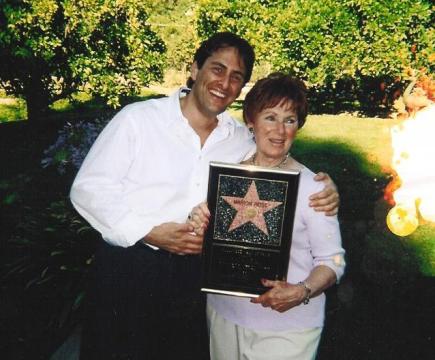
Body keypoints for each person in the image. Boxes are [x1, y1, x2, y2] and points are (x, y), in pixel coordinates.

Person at [70, 33, 340, 360]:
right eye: (217, 69)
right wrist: (149, 231)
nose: (224, 83)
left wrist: (325, 189)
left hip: (195, 280)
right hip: (131, 267)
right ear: (195, 68)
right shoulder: (139, 120)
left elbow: (277, 159)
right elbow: (88, 188)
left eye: (236, 77)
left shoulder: (240, 139)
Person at [189, 73, 345, 360]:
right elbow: (209, 236)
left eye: (290, 119)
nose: (280, 130)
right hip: (224, 316)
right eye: (270, 117)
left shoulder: (314, 187)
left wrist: (302, 291)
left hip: (288, 328)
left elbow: (334, 261)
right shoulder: (228, 175)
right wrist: (199, 219)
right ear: (251, 120)